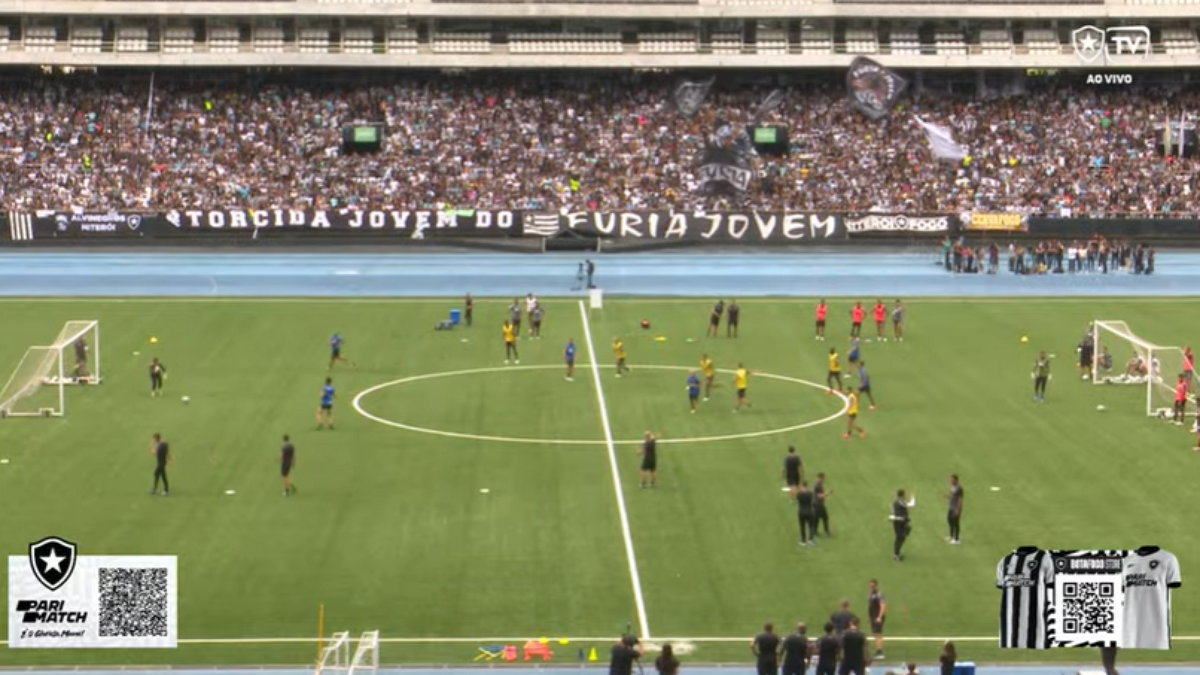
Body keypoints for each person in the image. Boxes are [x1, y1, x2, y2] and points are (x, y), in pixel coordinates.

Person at [891, 489, 913, 562]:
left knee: (903, 537)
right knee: (899, 538)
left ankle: (897, 553)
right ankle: (896, 554)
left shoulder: (899, 502)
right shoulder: (898, 503)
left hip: (902, 522)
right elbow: (896, 514)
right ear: (902, 495)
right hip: (898, 523)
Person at [867, 580, 886, 659]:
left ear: (876, 586)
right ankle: (878, 651)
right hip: (873, 617)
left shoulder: (879, 595)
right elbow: (869, 606)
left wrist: (879, 617)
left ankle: (880, 652)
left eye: (872, 586)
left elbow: (883, 606)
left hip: (877, 617)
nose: (871, 587)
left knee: (878, 634)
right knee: (875, 634)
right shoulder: (869, 595)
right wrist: (869, 617)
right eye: (870, 586)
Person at [796, 481, 817, 547]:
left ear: (802, 486)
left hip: (801, 512)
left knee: (802, 526)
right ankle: (810, 540)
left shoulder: (799, 494)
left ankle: (803, 541)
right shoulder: (810, 493)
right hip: (809, 511)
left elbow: (796, 499)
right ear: (806, 486)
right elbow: (813, 502)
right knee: (811, 526)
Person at [946, 474, 964, 544]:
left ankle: (956, 539)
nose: (951, 481)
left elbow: (960, 500)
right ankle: (951, 536)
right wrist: (947, 497)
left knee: (955, 523)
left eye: (952, 479)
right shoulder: (953, 487)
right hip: (951, 507)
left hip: (956, 508)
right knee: (949, 520)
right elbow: (951, 495)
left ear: (956, 480)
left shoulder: (959, 489)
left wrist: (958, 510)